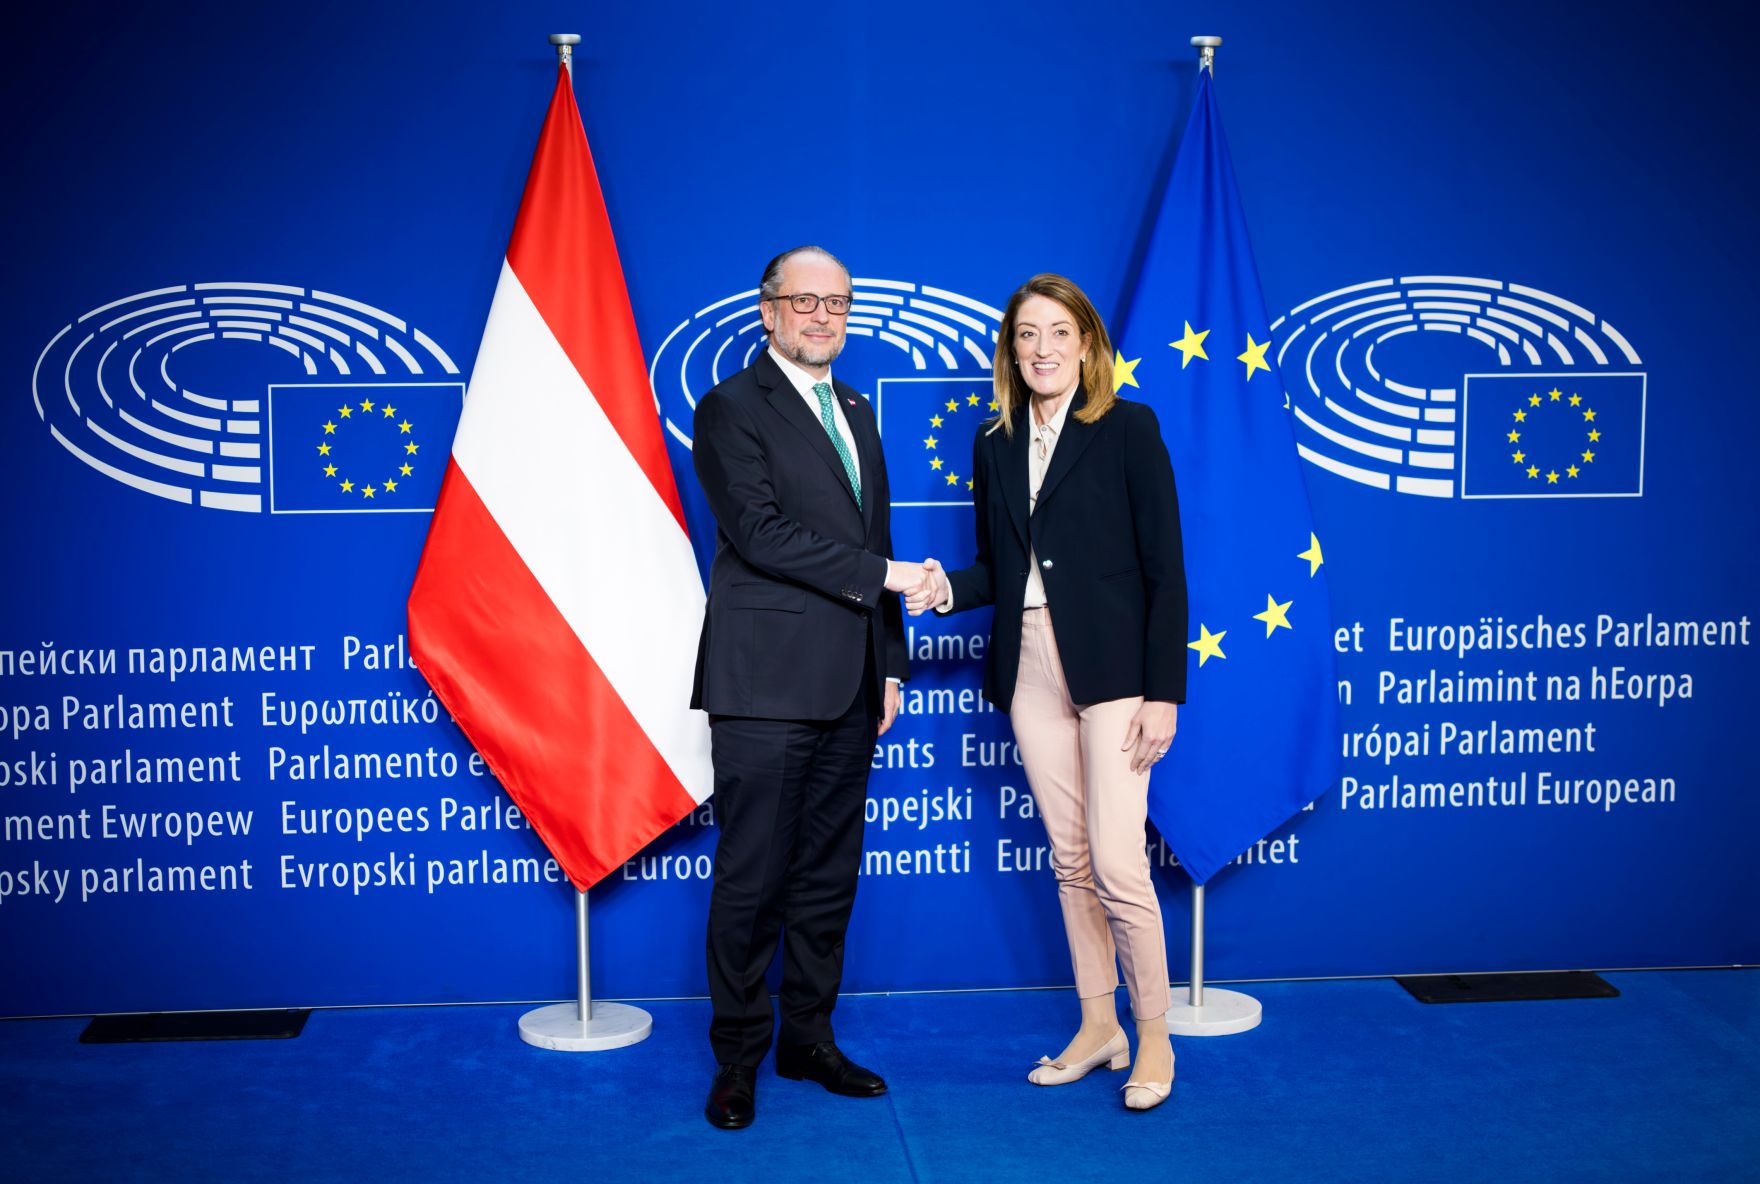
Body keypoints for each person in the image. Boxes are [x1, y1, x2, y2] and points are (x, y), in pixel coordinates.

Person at [909, 273, 1187, 1112]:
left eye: (1058, 332)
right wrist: (943, 588)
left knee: (1115, 860)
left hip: (1113, 672)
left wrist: (1162, 692)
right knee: (1070, 861)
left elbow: (1164, 570)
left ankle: (1155, 1035)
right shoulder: (994, 443)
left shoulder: (1129, 429)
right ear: (1011, 349)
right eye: (1027, 334)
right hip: (1027, 663)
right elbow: (1002, 565)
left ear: (1087, 344)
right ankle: (1097, 1027)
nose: (1042, 349)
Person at [690, 245, 932, 1130]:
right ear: (767, 311)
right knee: (753, 880)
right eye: (804, 301)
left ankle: (808, 1038)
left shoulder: (857, 411)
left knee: (828, 878)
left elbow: (876, 532)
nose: (822, 317)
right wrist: (895, 578)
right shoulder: (728, 408)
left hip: (852, 683)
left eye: (837, 303)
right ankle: (739, 1059)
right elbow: (759, 534)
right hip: (762, 684)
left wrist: (892, 662)